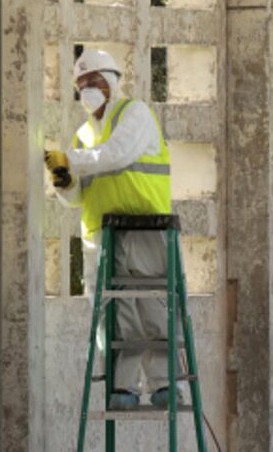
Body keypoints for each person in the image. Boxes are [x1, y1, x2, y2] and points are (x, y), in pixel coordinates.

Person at [44, 48, 177, 410]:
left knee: (153, 306)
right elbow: (76, 198)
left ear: (112, 81)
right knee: (114, 315)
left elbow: (117, 154)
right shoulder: (83, 134)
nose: (87, 88)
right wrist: (63, 181)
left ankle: (165, 383)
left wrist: (71, 159)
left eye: (94, 80)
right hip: (102, 235)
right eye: (81, 83)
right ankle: (123, 388)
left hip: (145, 227)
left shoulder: (133, 113)